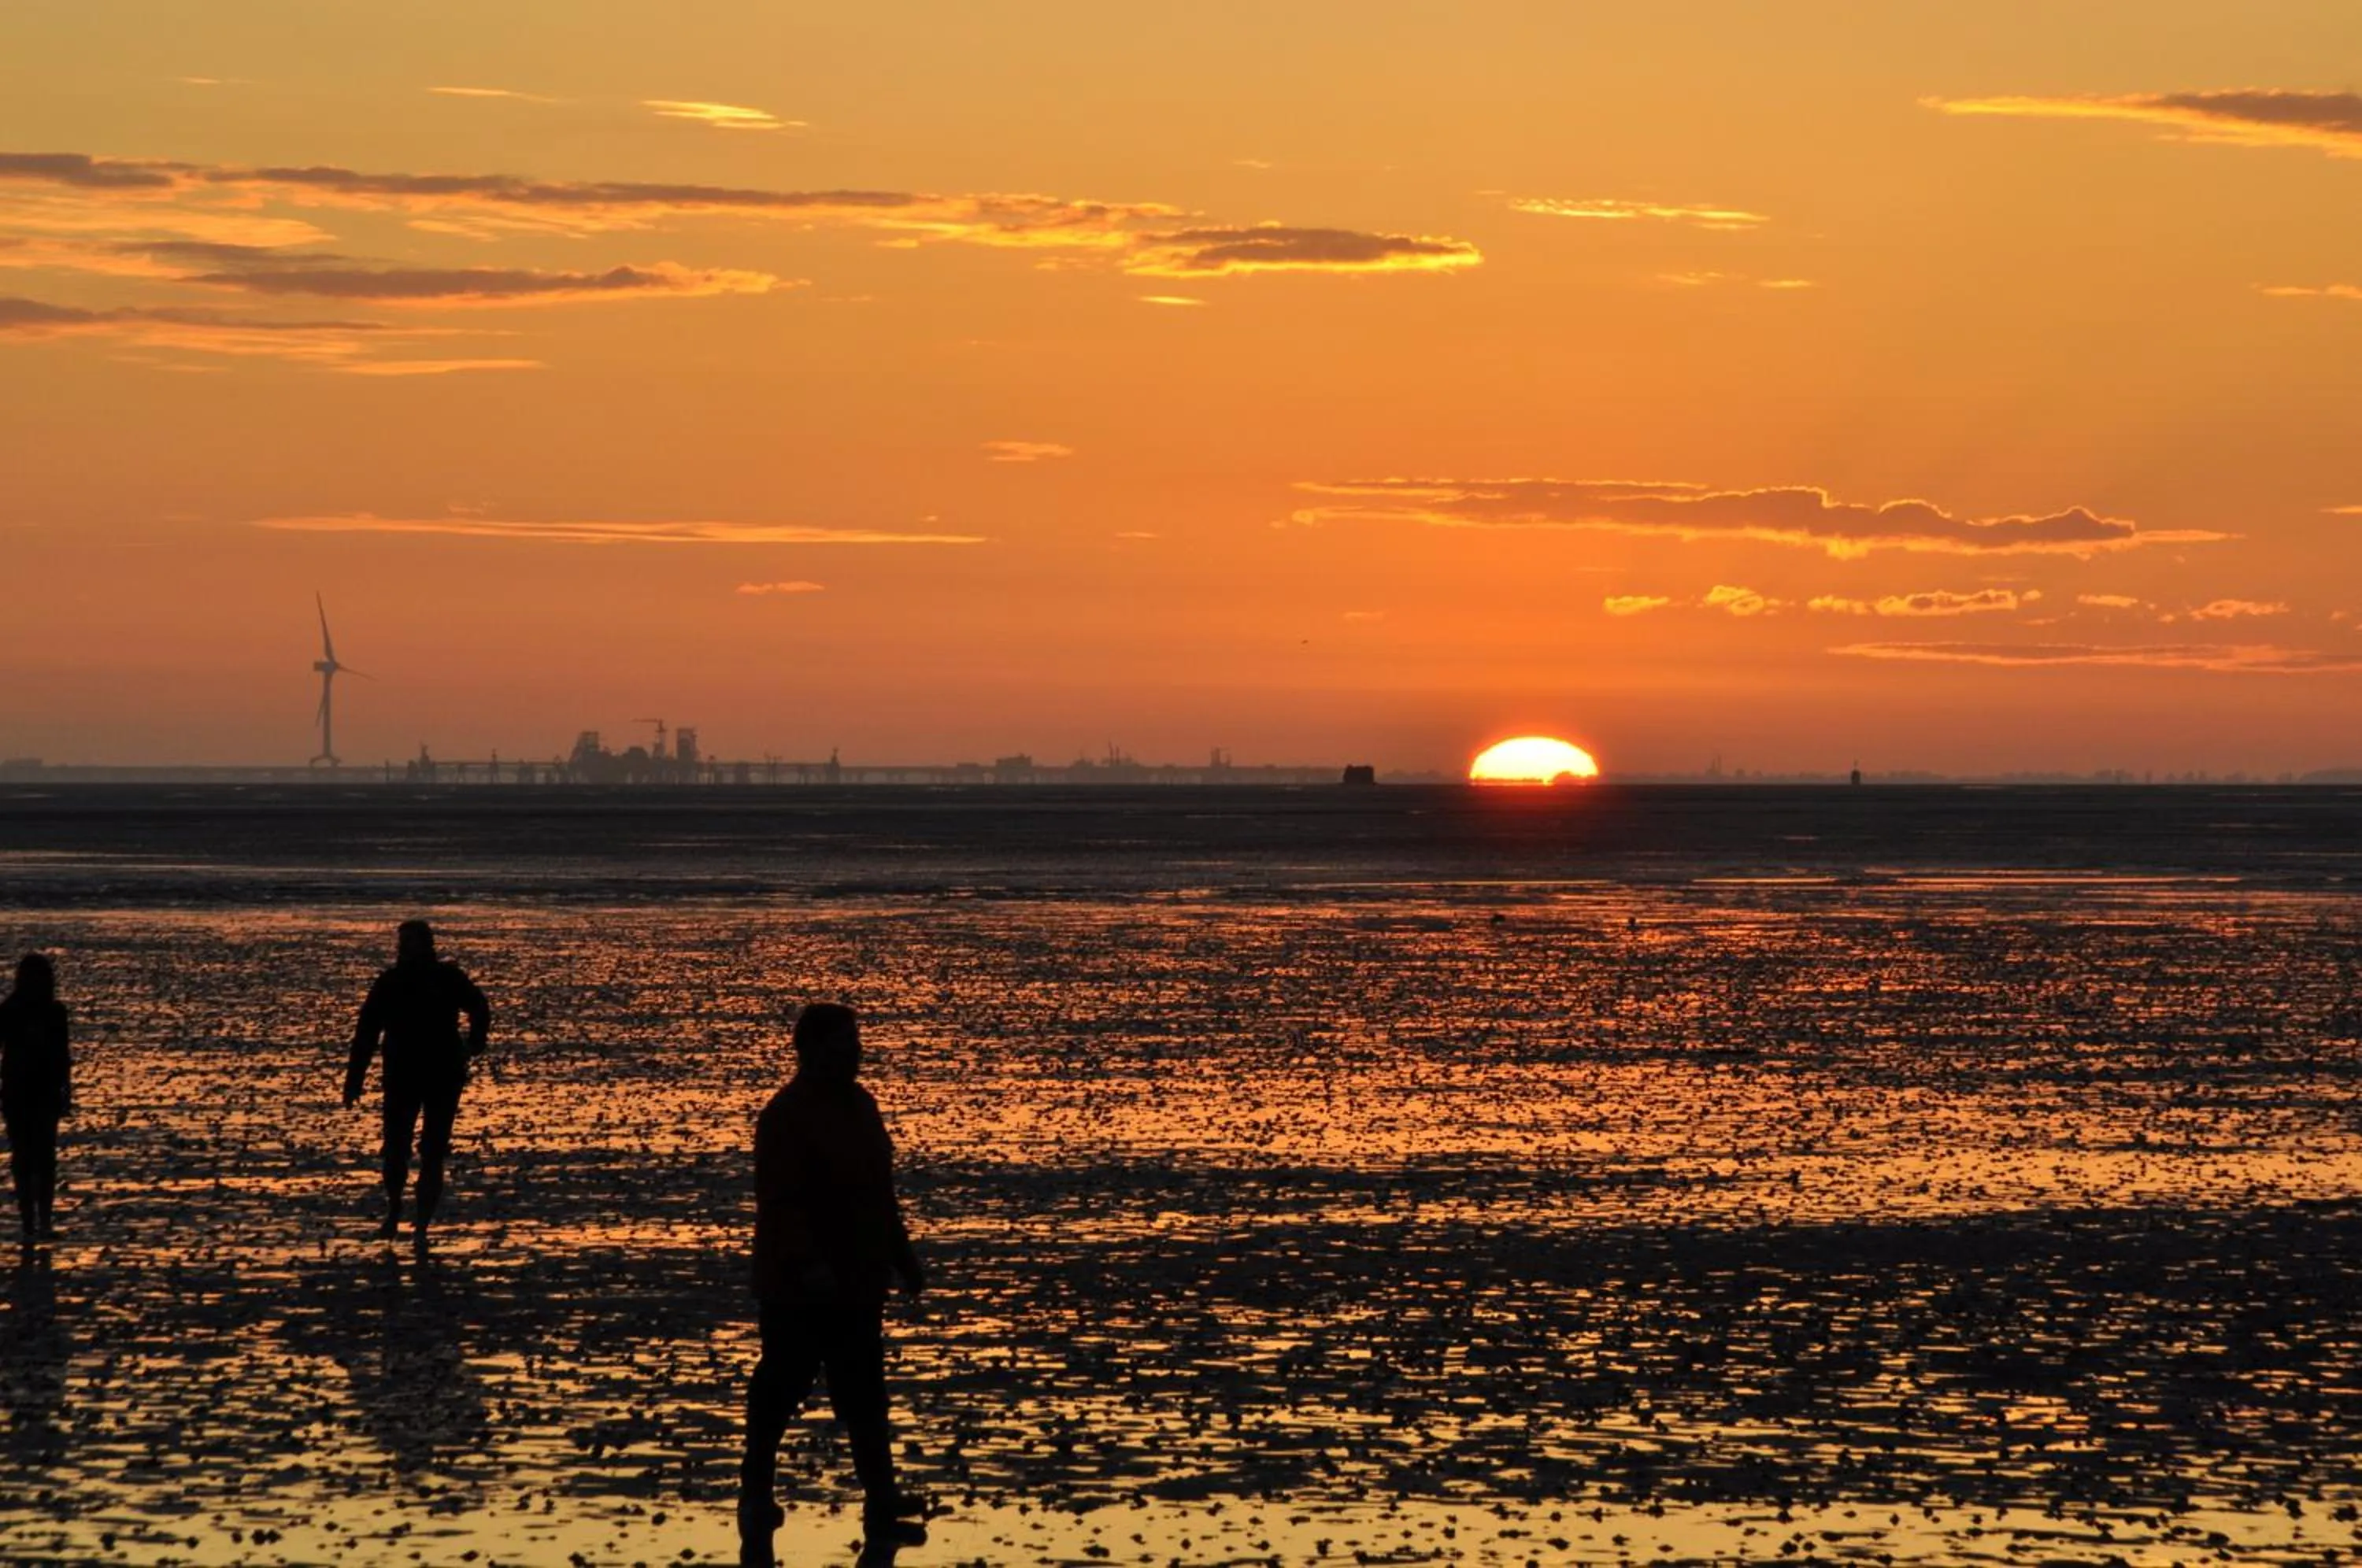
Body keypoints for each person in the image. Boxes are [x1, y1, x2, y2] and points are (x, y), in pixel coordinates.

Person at [739, 1002, 928, 1567]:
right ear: (812, 1050)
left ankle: (882, 1503)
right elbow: (780, 1202)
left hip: (860, 1277)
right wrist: (807, 1265)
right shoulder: (786, 1115)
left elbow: (881, 1191)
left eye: (856, 1042)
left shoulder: (861, 1104)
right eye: (843, 1044)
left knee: (866, 1392)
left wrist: (903, 1257)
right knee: (780, 1388)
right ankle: (755, 1494)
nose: (854, 1053)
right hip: (797, 1286)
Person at [343, 920, 491, 1246]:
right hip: (402, 1074)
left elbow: (480, 1008)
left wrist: (473, 1044)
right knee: (396, 1149)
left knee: (433, 1152)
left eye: (409, 943)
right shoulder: (390, 982)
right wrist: (354, 1080)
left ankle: (421, 1226)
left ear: (426, 945)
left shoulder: (447, 978)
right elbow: (366, 1033)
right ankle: (395, 1209)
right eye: (402, 943)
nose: (404, 949)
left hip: (442, 1072)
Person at [0, 953, 72, 1246]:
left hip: (39, 1092)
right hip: (23, 1092)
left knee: (37, 1158)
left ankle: (38, 1221)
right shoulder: (12, 1011)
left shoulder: (51, 1012)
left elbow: (63, 1055)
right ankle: (34, 1221)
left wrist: (65, 1089)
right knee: (32, 1158)